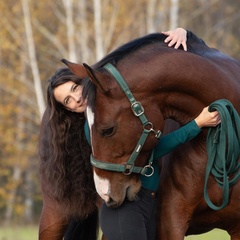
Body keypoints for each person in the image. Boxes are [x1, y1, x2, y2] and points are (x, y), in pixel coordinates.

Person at [41, 28, 221, 240]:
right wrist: (197, 124)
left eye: (75, 88)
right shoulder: (96, 128)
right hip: (126, 208)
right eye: (67, 101)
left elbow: (141, 66)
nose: (76, 99)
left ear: (87, 81)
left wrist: (182, 33)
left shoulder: (119, 108)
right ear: (68, 110)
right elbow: (156, 148)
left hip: (147, 203)